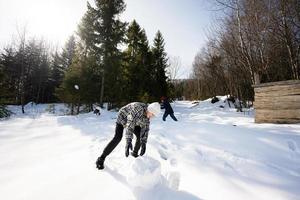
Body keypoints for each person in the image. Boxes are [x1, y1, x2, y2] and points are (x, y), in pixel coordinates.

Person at [96, 102, 161, 170]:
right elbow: (130, 125)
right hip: (123, 117)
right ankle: (101, 158)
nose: (152, 117)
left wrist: (144, 143)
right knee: (117, 138)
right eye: (152, 114)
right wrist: (128, 141)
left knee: (140, 137)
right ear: (149, 110)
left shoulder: (147, 116)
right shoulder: (138, 109)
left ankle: (134, 154)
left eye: (154, 115)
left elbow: (145, 130)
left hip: (135, 121)